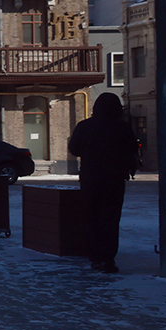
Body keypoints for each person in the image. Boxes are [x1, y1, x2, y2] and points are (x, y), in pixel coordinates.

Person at [67, 92, 139, 274]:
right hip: (114, 180)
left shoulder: (84, 126)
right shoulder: (122, 128)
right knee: (110, 219)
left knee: (92, 218)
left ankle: (95, 257)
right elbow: (132, 151)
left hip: (90, 179)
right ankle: (108, 258)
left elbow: (74, 149)